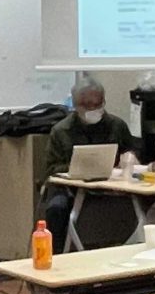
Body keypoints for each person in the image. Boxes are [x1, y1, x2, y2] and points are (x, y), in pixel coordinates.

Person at [40, 73, 138, 250]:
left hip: (112, 186)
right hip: (69, 188)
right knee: (56, 208)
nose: (92, 109)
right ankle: (56, 255)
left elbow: (132, 155)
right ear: (75, 105)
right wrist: (77, 168)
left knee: (141, 204)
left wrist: (130, 160)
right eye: (86, 105)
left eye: (97, 104)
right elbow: (50, 169)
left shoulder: (117, 126)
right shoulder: (61, 130)